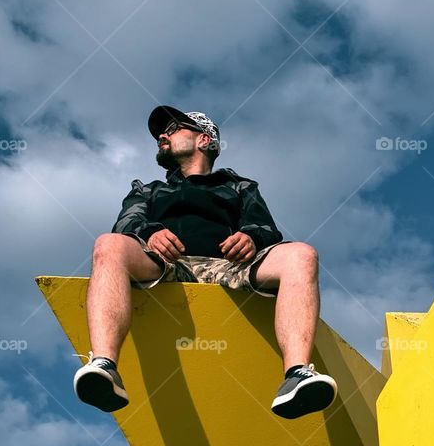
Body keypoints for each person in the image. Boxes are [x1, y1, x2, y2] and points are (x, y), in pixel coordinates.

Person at [73, 105, 337, 419]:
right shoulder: (149, 190)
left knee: (302, 254)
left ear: (204, 140)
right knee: (108, 244)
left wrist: (251, 237)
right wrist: (150, 232)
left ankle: (296, 375)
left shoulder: (240, 187)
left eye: (172, 129)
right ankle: (105, 365)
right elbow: (126, 225)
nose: (162, 136)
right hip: (166, 263)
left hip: (230, 267)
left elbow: (266, 228)